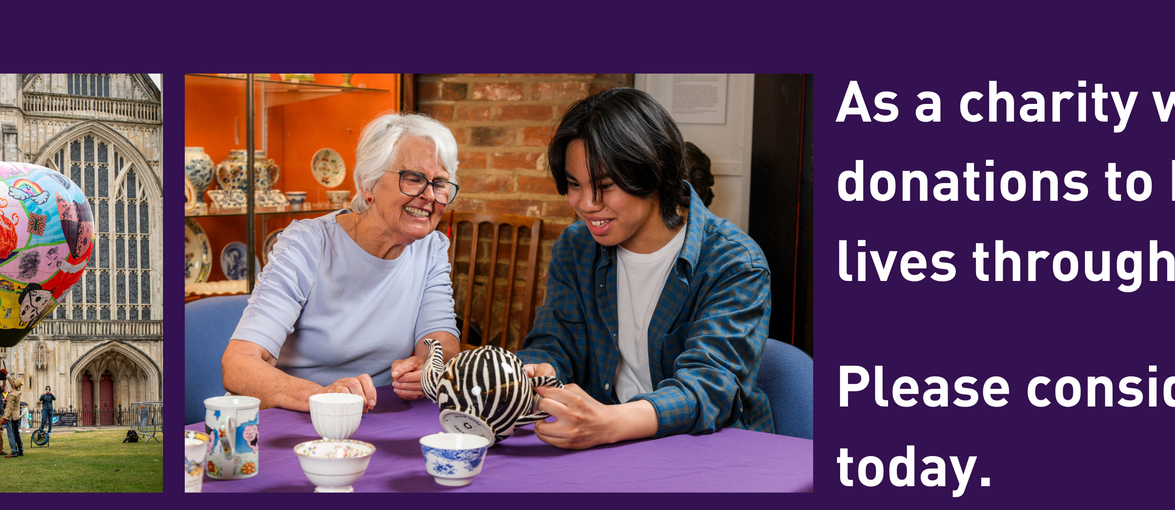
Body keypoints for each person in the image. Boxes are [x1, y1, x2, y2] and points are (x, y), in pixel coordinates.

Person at [517, 88, 774, 450]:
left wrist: (609, 422)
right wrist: (538, 369)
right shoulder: (576, 247)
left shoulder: (733, 262)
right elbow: (552, 342)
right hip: (604, 448)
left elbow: (709, 388)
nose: (587, 205)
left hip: (710, 449)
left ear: (652, 172)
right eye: (575, 186)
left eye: (605, 186)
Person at [222, 113, 463, 412]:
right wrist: (324, 397)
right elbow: (238, 365)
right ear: (367, 184)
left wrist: (427, 365)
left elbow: (440, 336)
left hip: (379, 415)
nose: (429, 195)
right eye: (413, 179)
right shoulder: (308, 243)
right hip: (300, 417)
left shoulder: (432, 247)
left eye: (439, 183)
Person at [3, 380, 25, 458]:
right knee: (16, 433)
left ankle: (14, 451)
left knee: (11, 434)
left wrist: (5, 418)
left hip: (11, 416)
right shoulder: (18, 392)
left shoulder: (12, 394)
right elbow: (13, 382)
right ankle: (21, 450)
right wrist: (7, 375)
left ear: (13, 385)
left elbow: (9, 407)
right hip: (16, 416)